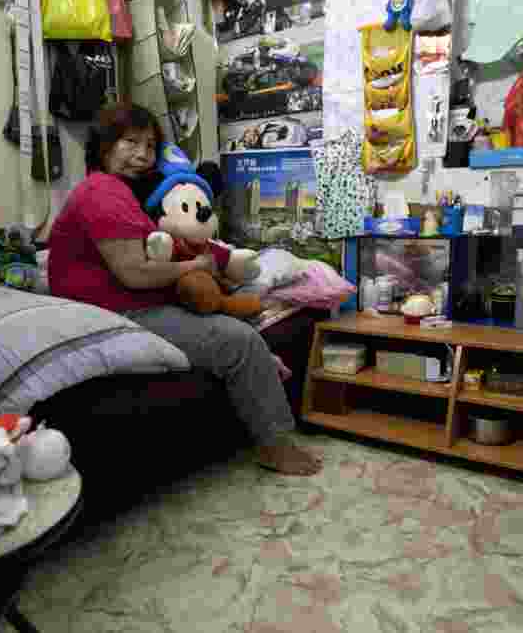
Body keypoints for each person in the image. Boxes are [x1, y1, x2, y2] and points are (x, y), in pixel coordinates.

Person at [48, 104, 322, 476]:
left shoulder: (118, 192)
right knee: (237, 341)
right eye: (130, 142)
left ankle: (260, 391)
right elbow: (135, 274)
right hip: (118, 312)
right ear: (104, 145)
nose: (143, 154)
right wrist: (197, 266)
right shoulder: (102, 191)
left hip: (130, 302)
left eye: (149, 145)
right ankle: (274, 443)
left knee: (242, 309)